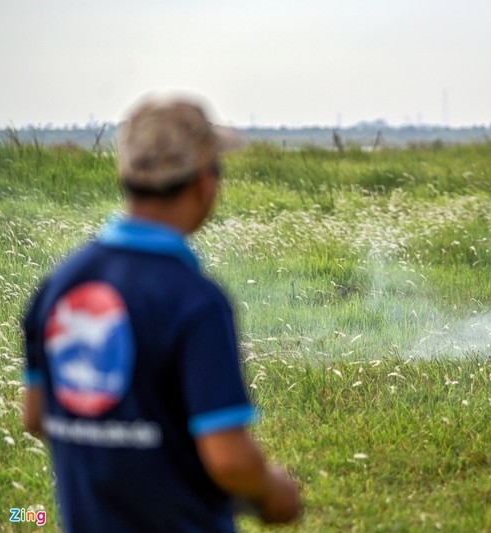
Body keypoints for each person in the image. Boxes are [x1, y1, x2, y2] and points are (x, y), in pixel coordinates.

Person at [22, 95, 300, 532]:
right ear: (205, 183)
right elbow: (228, 459)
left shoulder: (59, 285)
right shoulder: (195, 300)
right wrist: (272, 491)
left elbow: (35, 416)